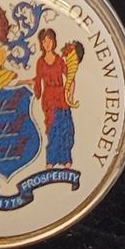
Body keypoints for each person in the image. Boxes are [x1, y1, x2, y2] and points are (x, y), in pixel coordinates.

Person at [29, 28, 77, 166]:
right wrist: (29, 84)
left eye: (49, 40)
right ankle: (51, 160)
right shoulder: (40, 62)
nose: (47, 43)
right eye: (44, 41)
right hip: (49, 100)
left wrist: (70, 96)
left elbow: (70, 78)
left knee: (66, 128)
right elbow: (38, 80)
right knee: (53, 129)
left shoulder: (59, 60)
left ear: (54, 42)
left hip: (62, 98)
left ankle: (66, 159)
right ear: (41, 44)